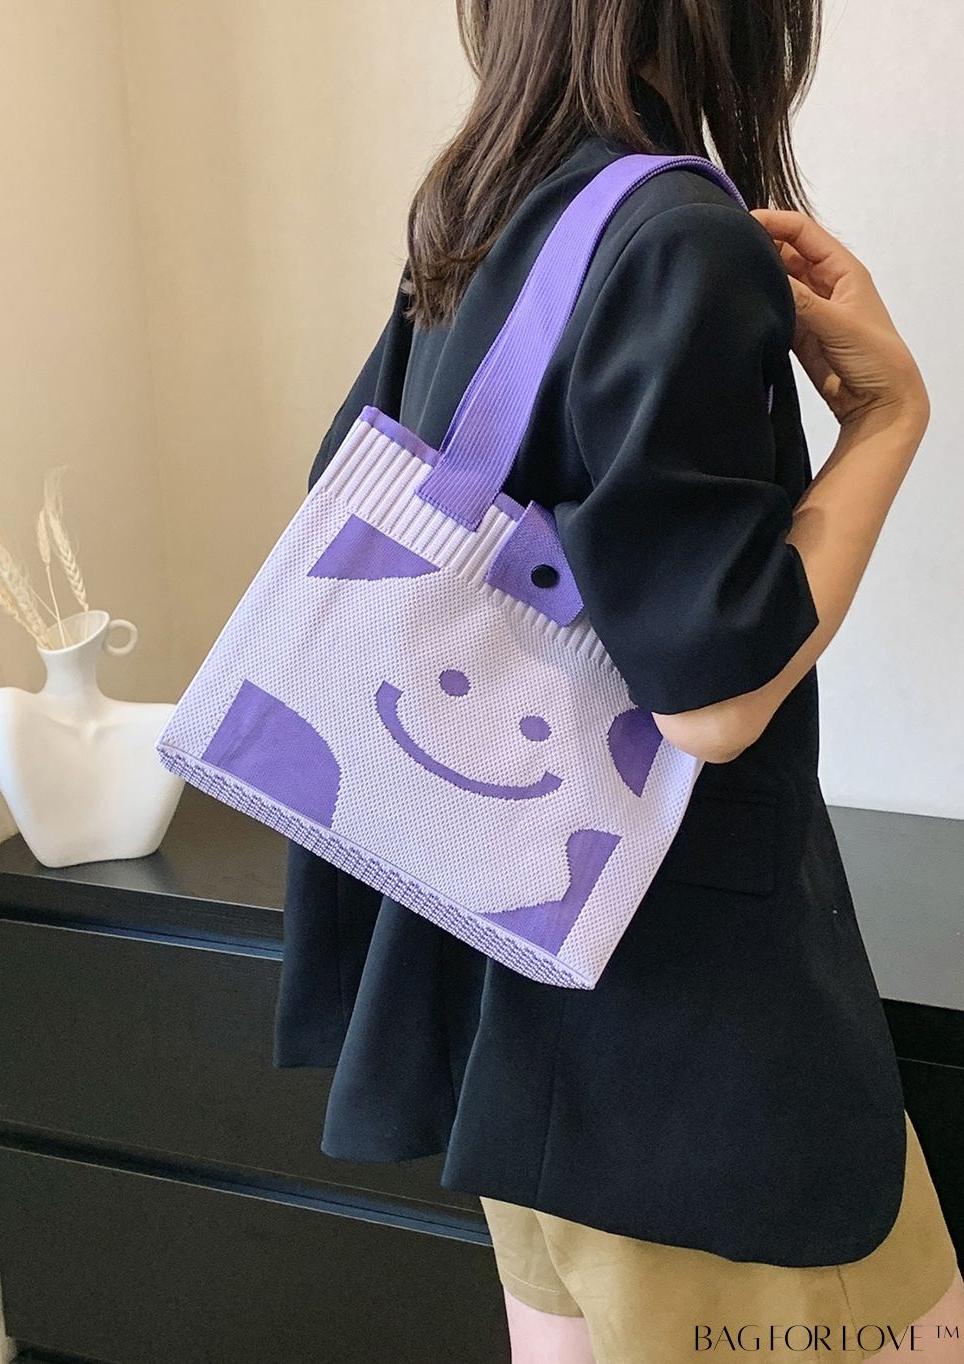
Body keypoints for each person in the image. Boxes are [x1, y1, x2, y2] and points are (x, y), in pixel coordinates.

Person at [272, 2, 963, 1359]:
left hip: (517, 1008)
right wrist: (888, 421)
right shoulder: (677, 238)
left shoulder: (476, 217)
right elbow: (714, 701)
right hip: (690, 1059)